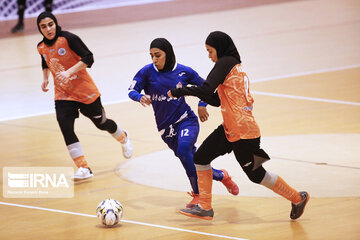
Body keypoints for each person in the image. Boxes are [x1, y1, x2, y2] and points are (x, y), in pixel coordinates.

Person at [169, 31, 309, 220]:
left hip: (244, 133)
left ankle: (297, 198)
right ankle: (205, 207)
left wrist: (180, 91)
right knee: (201, 158)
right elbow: (216, 99)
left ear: (219, 48)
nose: (209, 56)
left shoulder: (225, 62)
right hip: (231, 129)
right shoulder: (232, 65)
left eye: (210, 51)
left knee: (256, 175)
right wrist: (190, 93)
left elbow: (206, 88)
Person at [128, 38, 239, 208]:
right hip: (165, 129)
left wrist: (202, 104)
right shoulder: (147, 72)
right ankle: (221, 175)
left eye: (158, 55)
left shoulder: (184, 72)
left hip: (186, 120)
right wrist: (139, 96)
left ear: (168, 54)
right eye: (151, 56)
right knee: (193, 160)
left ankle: (197, 194)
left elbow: (208, 88)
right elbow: (131, 90)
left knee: (184, 149)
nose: (154, 59)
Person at [36, 12, 133, 180]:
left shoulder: (68, 39)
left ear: (55, 23)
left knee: (101, 123)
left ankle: (123, 136)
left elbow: (89, 58)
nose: (48, 29)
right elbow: (45, 60)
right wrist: (45, 78)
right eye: (43, 26)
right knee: (66, 128)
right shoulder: (41, 46)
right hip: (63, 95)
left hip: (85, 91)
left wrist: (69, 72)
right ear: (40, 29)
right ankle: (84, 168)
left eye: (50, 24)